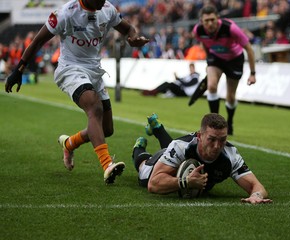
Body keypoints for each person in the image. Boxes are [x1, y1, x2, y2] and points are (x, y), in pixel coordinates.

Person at [4, 0, 149, 184]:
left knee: (106, 129)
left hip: (94, 71)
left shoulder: (107, 9)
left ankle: (69, 143)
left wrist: (133, 37)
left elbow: (128, 28)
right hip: (70, 69)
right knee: (94, 108)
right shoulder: (65, 13)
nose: (102, 0)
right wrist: (18, 70)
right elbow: (38, 40)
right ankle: (107, 165)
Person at [131, 113, 272, 204]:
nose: (217, 146)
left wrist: (257, 196)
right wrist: (186, 182)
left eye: (222, 140)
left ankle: (157, 128)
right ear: (200, 136)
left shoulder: (231, 155)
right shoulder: (181, 147)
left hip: (175, 156)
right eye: (211, 139)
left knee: (169, 148)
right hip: (167, 162)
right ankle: (139, 147)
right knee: (144, 171)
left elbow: (256, 186)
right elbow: (153, 184)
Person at [189, 5, 257, 135]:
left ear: (218, 18)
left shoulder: (230, 28)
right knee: (212, 86)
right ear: (201, 22)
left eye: (212, 20)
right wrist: (209, 59)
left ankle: (229, 122)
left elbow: (249, 48)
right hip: (216, 58)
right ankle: (215, 124)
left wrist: (252, 73)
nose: (210, 23)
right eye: (206, 20)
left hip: (234, 60)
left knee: (230, 97)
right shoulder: (198, 30)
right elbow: (204, 42)